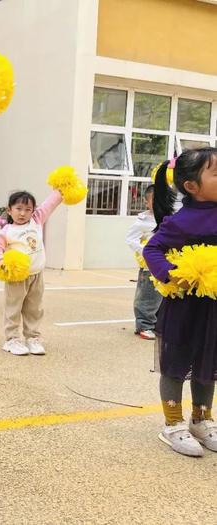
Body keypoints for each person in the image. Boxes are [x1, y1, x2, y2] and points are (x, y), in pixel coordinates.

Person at [143, 149, 217, 457]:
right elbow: (152, 250)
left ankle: (202, 418)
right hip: (185, 308)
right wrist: (173, 274)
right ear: (191, 186)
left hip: (213, 308)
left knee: (209, 363)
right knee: (175, 365)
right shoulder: (180, 221)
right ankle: (172, 424)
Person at [0, 189, 62, 356]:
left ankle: (32, 338)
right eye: (18, 208)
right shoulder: (6, 231)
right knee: (13, 308)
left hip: (37, 275)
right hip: (17, 277)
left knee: (34, 309)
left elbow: (50, 203)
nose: (23, 213)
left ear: (33, 211)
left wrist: (61, 189)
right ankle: (12, 339)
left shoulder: (36, 220)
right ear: (9, 210)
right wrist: (2, 263)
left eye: (27, 209)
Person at [125, 184, 162, 340]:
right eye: (155, 200)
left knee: (161, 296)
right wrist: (145, 250)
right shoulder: (142, 221)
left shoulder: (168, 218)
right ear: (147, 202)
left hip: (164, 263)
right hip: (148, 266)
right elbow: (130, 239)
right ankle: (144, 325)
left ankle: (157, 324)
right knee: (146, 295)